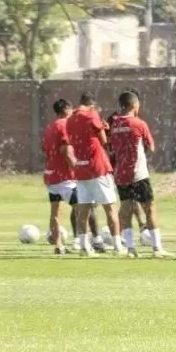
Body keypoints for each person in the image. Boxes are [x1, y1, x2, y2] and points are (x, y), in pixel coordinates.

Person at [109, 91, 169, 258]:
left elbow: (111, 148)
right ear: (135, 105)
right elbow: (151, 147)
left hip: (121, 174)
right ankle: (157, 248)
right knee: (150, 208)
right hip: (138, 173)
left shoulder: (114, 125)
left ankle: (130, 248)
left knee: (126, 209)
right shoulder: (138, 123)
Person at [67, 92, 122, 256]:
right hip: (98, 167)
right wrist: (105, 129)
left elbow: (77, 140)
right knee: (110, 208)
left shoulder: (70, 119)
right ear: (92, 105)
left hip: (80, 168)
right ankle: (118, 247)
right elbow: (104, 141)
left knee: (83, 210)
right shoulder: (92, 115)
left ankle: (84, 246)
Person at [42, 99, 77, 255]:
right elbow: (66, 151)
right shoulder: (65, 125)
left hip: (52, 175)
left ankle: (58, 245)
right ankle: (83, 241)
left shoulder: (49, 127)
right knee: (83, 208)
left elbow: (45, 149)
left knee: (55, 212)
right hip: (66, 177)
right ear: (67, 110)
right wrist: (77, 168)